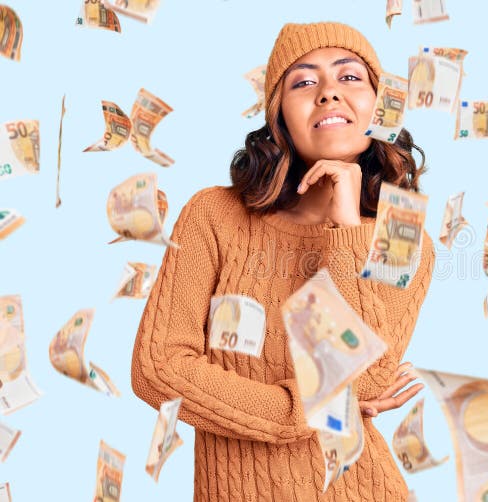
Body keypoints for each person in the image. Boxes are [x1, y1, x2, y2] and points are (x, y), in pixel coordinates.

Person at [131, 21, 435, 502]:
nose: (329, 94)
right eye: (304, 81)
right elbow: (157, 369)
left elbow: (368, 378)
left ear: (380, 108)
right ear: (280, 117)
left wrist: (347, 225)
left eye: (350, 78)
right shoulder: (214, 215)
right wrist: (297, 410)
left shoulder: (402, 235)